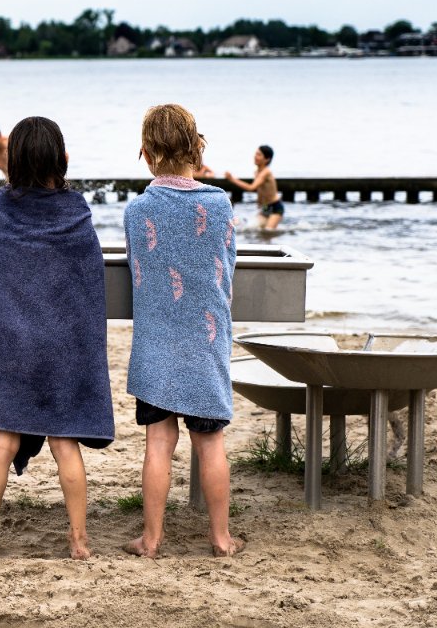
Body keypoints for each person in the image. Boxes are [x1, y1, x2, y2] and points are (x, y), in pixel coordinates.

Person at [0, 116, 114, 560]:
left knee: (3, 442)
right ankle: (79, 542)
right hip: (63, 349)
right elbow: (87, 285)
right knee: (64, 443)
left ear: (12, 162)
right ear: (63, 160)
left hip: (11, 350)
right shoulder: (76, 213)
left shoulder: (1, 209)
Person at [123, 104, 244, 559]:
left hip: (156, 342)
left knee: (158, 443)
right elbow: (227, 265)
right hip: (205, 341)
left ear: (147, 153)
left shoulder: (138, 210)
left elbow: (138, 264)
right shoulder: (219, 204)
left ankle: (151, 540)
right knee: (211, 444)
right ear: (197, 148)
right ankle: (220, 538)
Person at [224, 145, 283, 230]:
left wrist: (232, 179)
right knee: (255, 230)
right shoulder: (257, 172)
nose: (255, 157)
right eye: (255, 154)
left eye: (259, 155)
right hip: (265, 207)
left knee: (268, 231)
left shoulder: (266, 172)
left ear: (267, 159)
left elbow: (251, 188)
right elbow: (261, 190)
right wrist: (259, 204)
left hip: (275, 207)